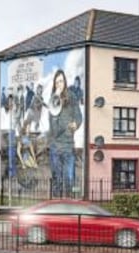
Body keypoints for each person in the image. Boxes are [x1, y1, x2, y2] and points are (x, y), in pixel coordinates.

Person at [47, 69, 82, 197]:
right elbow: (54, 130)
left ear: (65, 82)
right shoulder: (52, 101)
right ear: (54, 85)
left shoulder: (72, 97)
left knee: (70, 180)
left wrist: (76, 124)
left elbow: (79, 116)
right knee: (57, 181)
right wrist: (55, 111)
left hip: (68, 146)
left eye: (61, 81)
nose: (59, 85)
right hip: (55, 147)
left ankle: (70, 207)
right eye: (57, 82)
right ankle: (57, 209)